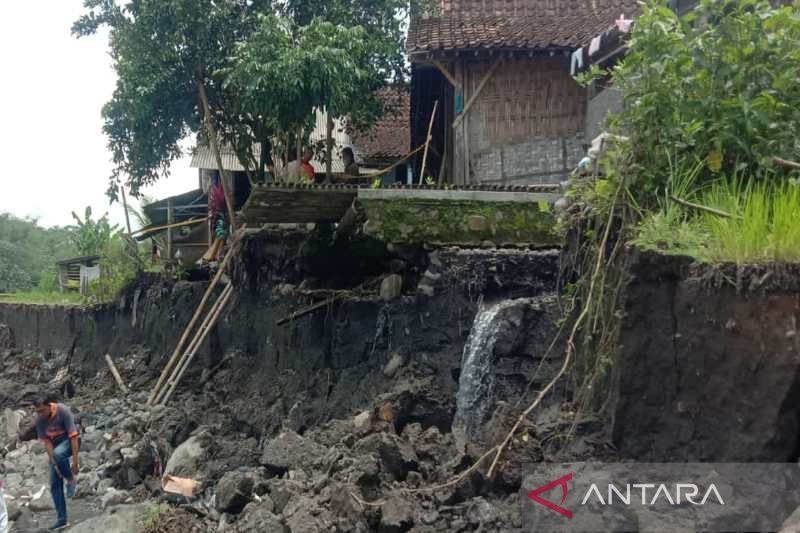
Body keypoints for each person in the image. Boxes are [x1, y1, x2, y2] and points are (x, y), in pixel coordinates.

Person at [33, 395, 80, 531]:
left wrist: (75, 463)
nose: (40, 414)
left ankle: (70, 480)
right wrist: (55, 464)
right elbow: (47, 442)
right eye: (38, 412)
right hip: (54, 447)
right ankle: (62, 519)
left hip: (69, 442)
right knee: (54, 483)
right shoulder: (40, 420)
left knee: (59, 453)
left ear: (49, 406)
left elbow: (74, 437)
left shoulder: (63, 411)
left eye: (42, 411)